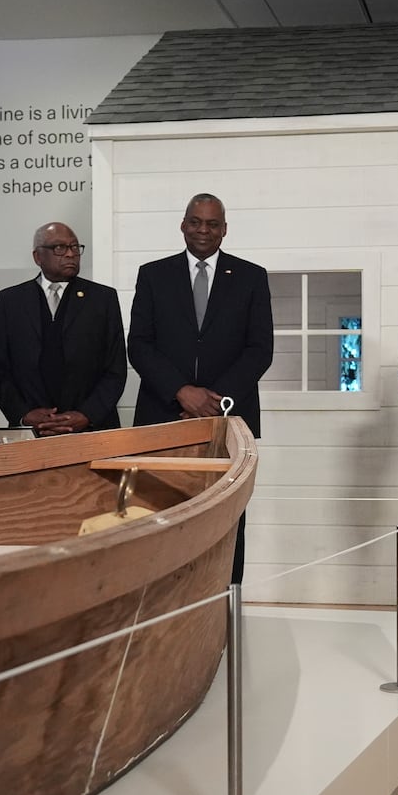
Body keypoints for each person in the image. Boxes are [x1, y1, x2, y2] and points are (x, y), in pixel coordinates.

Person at [129, 193, 273, 582]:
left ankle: (227, 605)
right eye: (196, 222)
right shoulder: (153, 274)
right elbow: (138, 344)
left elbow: (261, 349)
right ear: (183, 225)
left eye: (212, 224)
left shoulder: (251, 277)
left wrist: (215, 400)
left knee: (225, 517)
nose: (203, 231)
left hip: (228, 420)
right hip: (163, 415)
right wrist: (180, 391)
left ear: (224, 229)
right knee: (161, 514)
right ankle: (160, 600)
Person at [0, 222, 126, 435]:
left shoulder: (102, 299)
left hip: (92, 429)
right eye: (60, 248)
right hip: (32, 431)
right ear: (38, 257)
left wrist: (87, 415)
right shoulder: (11, 301)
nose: (71, 254)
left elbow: (115, 369)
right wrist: (24, 414)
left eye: (75, 247)